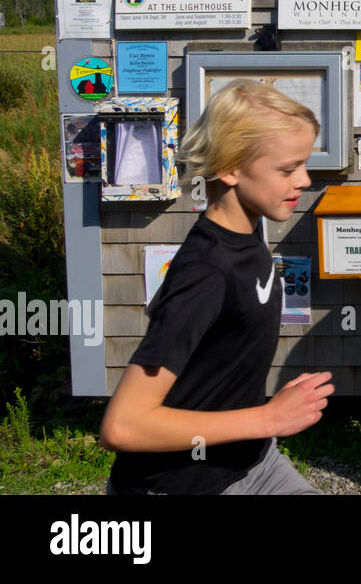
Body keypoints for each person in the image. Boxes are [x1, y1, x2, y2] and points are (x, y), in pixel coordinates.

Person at [100, 80, 334, 494]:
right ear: (230, 169)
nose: (304, 180)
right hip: (182, 484)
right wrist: (268, 417)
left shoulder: (250, 229)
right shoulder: (206, 272)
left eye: (303, 164)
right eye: (286, 169)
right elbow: (121, 427)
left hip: (255, 461)